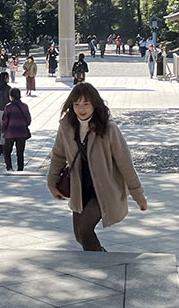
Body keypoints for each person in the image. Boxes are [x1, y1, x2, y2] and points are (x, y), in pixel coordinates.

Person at [47, 82, 147, 251]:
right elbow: (58, 155)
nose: (81, 109)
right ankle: (101, 257)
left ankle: (102, 263)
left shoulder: (108, 128)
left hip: (104, 189)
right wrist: (51, 182)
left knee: (85, 229)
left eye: (86, 104)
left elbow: (125, 163)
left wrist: (138, 195)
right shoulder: (66, 125)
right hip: (80, 188)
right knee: (79, 235)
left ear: (95, 104)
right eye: (77, 104)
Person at [1, 87, 31, 171]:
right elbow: (28, 120)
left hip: (10, 132)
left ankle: (9, 167)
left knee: (7, 151)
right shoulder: (24, 106)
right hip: (22, 132)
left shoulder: (8, 107)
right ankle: (20, 168)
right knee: (20, 152)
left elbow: (4, 120)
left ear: (11, 96)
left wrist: (3, 130)